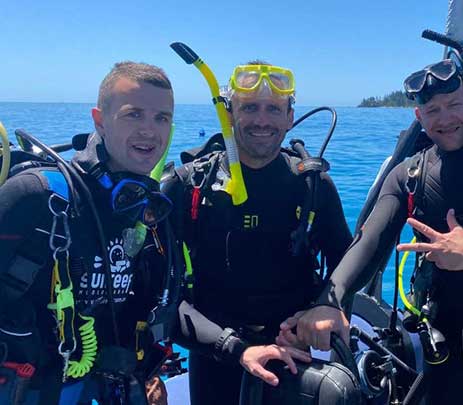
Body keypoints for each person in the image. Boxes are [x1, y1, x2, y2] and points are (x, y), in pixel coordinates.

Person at [282, 59, 463, 403]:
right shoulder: (410, 176)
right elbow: (369, 242)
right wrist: (328, 302)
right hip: (444, 346)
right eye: (432, 110)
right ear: (419, 117)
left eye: (453, 105)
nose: (445, 119)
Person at [163, 61, 353, 404]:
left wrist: (324, 309)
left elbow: (347, 268)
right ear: (230, 114)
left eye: (273, 109)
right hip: (214, 353)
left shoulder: (312, 186)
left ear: (290, 117)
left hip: (293, 354)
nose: (262, 120)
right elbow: (159, 292)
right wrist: (230, 347)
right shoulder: (188, 186)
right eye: (249, 107)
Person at [0, 61, 180, 404]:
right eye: (134, 114)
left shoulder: (148, 211)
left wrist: (146, 371)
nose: (150, 130)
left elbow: (146, 305)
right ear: (99, 120)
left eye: (162, 118)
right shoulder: (36, 196)